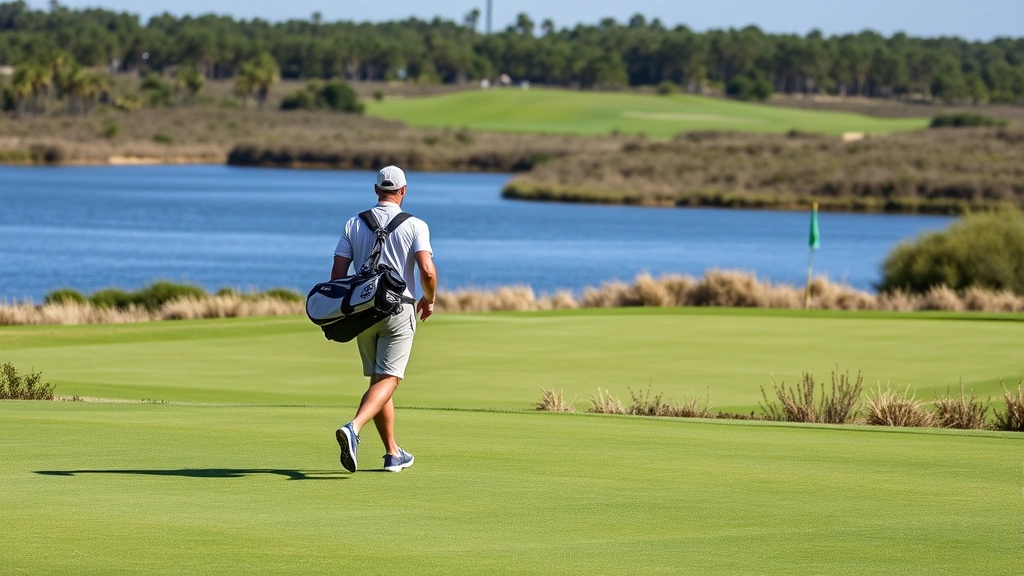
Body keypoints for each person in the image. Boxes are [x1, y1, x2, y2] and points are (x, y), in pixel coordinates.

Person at [332, 165, 437, 473]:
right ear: (403, 191)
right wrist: (430, 299)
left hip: (363, 312)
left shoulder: (354, 223)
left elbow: (337, 275)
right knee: (389, 379)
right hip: (399, 309)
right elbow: (427, 271)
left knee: (379, 381)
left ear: (377, 190)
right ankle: (354, 428)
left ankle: (393, 453)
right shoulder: (416, 225)